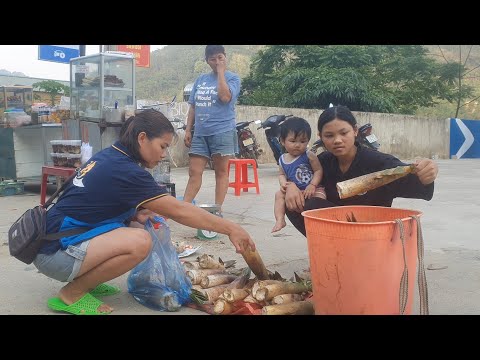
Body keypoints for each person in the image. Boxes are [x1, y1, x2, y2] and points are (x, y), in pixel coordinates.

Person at [33, 109, 255, 315]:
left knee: (137, 224)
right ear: (142, 138)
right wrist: (231, 228)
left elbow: (99, 204)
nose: (164, 155)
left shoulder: (111, 156)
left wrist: (133, 215)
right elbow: (180, 211)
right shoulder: (127, 171)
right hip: (54, 255)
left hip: (52, 243)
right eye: (163, 146)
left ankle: (88, 278)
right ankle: (72, 293)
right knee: (140, 241)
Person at [284, 105, 439, 236]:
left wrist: (427, 173)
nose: (337, 140)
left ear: (355, 131)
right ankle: (325, 247)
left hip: (371, 231)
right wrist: (291, 187)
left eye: (344, 133)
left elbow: (417, 181)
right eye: (329, 135)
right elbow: (298, 178)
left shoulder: (379, 162)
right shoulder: (322, 162)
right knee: (293, 203)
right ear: (320, 137)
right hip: (335, 229)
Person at [183, 45, 241, 210]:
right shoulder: (201, 80)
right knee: (194, 172)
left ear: (225, 57)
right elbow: (193, 106)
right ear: (207, 60)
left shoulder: (233, 78)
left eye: (220, 58)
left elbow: (224, 97)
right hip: (200, 134)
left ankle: (216, 210)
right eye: (212, 59)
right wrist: (188, 130)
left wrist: (221, 72)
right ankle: (183, 208)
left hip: (222, 131)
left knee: (221, 172)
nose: (216, 62)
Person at [271, 117, 326, 233]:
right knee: (278, 195)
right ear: (282, 140)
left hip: (312, 189)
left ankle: (320, 224)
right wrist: (283, 184)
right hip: (294, 191)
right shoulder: (282, 159)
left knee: (319, 201)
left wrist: (313, 185)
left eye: (302, 141)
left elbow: (318, 170)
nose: (297, 145)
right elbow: (281, 174)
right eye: (293, 141)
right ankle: (280, 219)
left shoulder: (309, 155)